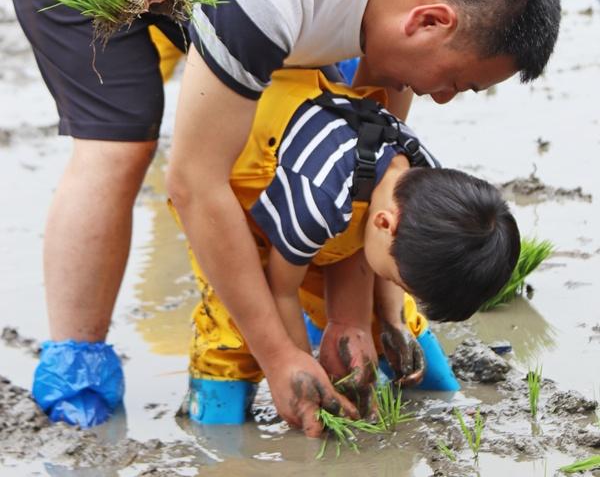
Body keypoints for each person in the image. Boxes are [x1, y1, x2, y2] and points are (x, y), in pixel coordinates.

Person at [0, 0, 560, 433]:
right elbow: (193, 184)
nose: (445, 99)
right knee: (119, 136)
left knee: (337, 75)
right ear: (429, 21)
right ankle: (76, 378)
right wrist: (277, 355)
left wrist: (349, 315)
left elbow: (369, 172)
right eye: (458, 80)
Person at [174, 67, 520, 423]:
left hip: (317, 187)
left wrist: (391, 319)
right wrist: (296, 365)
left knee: (374, 318)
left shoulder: (422, 173)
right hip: (234, 193)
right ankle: (214, 415)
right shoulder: (319, 200)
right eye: (401, 283)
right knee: (239, 331)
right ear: (386, 223)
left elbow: (369, 247)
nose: (400, 288)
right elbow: (282, 291)